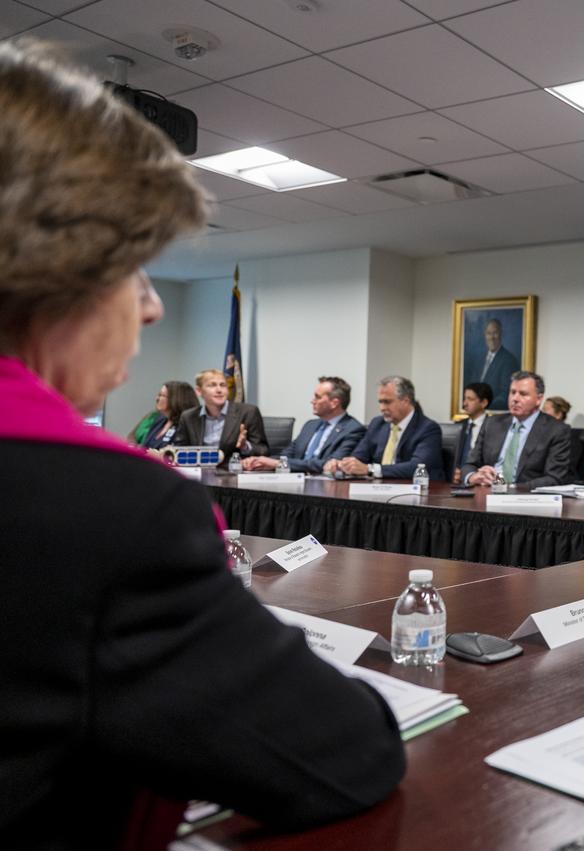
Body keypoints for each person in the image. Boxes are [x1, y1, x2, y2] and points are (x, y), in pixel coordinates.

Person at [0, 40, 403, 846]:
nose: (149, 309)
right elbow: (346, 750)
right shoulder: (111, 510)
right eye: (137, 271)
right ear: (63, 268)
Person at [461, 370, 573, 488]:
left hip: (526, 497)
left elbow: (554, 478)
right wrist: (473, 476)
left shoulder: (556, 430)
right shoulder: (492, 423)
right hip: (486, 492)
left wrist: (509, 487)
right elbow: (470, 464)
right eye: (512, 392)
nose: (515, 398)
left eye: (523, 394)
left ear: (538, 399)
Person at [326, 375, 444, 480]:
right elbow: (359, 457)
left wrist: (371, 469)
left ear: (405, 401)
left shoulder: (427, 428)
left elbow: (417, 467)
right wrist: (343, 464)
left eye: (387, 402)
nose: (382, 408)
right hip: (378, 489)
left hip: (410, 491)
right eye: (380, 402)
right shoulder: (378, 424)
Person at [242, 376, 365, 474]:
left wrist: (277, 464)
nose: (312, 401)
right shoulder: (310, 425)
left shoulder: (353, 430)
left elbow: (330, 464)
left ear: (334, 403)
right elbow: (287, 455)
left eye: (317, 397)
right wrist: (257, 461)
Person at [173, 369, 269, 464]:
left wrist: (245, 446)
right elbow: (178, 451)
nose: (219, 390)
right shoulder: (188, 417)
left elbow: (263, 450)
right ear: (199, 391)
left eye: (223, 385)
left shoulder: (248, 412)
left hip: (232, 473)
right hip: (198, 473)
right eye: (212, 385)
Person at [130, 380, 197, 450]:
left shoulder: (186, 426)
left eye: (162, 395)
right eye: (159, 395)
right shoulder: (158, 420)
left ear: (176, 399)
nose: (157, 399)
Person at [453, 381, 492, 484]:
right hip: (456, 482)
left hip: (481, 481)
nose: (464, 403)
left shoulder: (493, 427)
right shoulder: (458, 425)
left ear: (484, 403)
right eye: (464, 399)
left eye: (470, 399)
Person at [477, 318, 520, 406]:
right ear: (485, 335)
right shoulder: (478, 359)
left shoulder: (509, 360)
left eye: (495, 333)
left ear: (501, 334)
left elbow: (505, 394)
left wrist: (487, 407)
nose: (492, 337)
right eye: (489, 333)